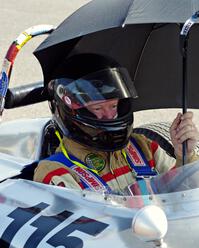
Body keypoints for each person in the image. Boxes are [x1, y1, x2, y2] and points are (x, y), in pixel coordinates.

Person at [33, 53, 199, 195]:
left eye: (114, 105)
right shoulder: (54, 171)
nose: (110, 115)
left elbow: (186, 195)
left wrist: (185, 155)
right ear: (69, 112)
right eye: (98, 108)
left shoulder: (142, 146)